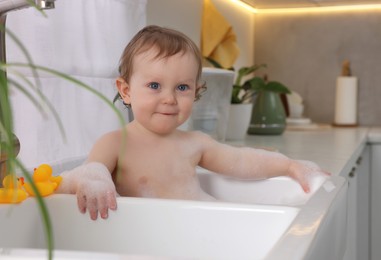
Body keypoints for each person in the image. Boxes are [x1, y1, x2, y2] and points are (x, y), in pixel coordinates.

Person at [57, 25, 329, 220]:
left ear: (196, 91)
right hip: (141, 240)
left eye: (182, 88)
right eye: (154, 85)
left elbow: (243, 161)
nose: (169, 99)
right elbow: (91, 173)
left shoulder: (195, 144)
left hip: (196, 234)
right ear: (126, 90)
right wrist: (92, 182)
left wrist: (290, 165)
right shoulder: (115, 143)